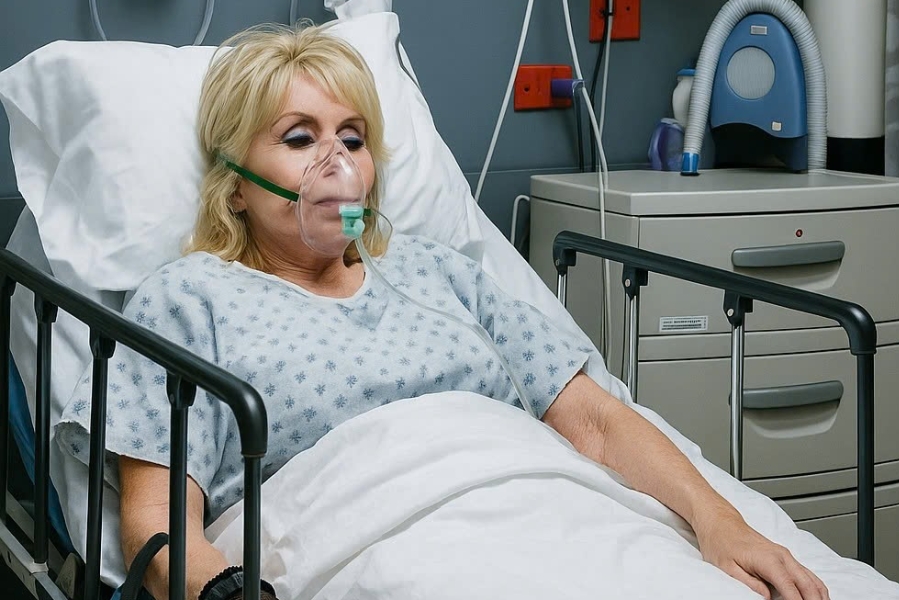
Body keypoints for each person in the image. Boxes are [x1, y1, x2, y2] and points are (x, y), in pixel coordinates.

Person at [55, 21, 830, 600]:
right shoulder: (190, 299)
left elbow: (594, 420)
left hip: (554, 512)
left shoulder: (436, 271)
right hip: (385, 550)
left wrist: (719, 520)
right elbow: (157, 525)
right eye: (299, 138)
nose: (337, 163)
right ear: (234, 186)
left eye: (353, 138)